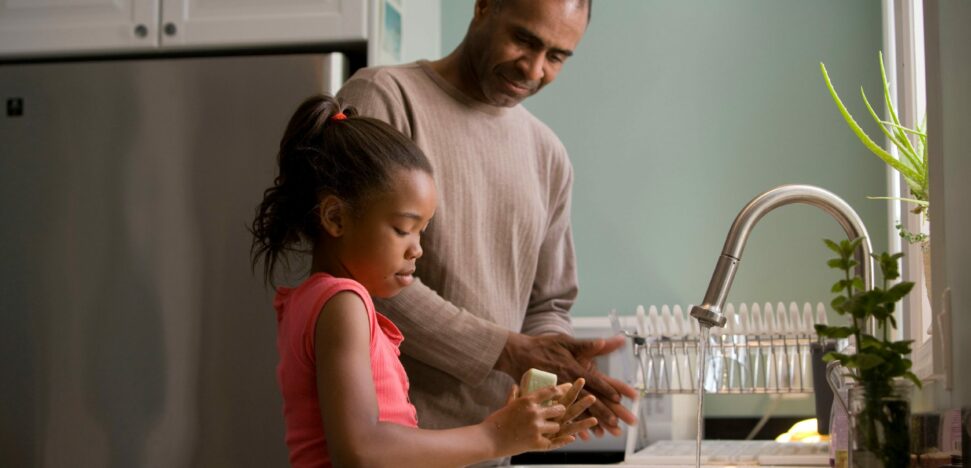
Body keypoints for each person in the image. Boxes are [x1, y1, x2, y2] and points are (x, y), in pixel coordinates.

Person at [337, 0, 637, 453]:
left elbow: (549, 300)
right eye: (524, 40)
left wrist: (553, 362)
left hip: (495, 447)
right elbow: (356, 272)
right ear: (483, 8)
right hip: (391, 447)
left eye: (556, 57)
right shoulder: (385, 97)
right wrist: (507, 351)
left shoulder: (547, 154)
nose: (534, 69)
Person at [250, 94, 598, 467]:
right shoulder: (342, 303)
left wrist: (512, 433)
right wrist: (493, 435)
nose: (417, 249)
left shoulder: (315, 300)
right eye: (403, 229)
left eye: (422, 232)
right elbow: (361, 450)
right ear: (335, 218)